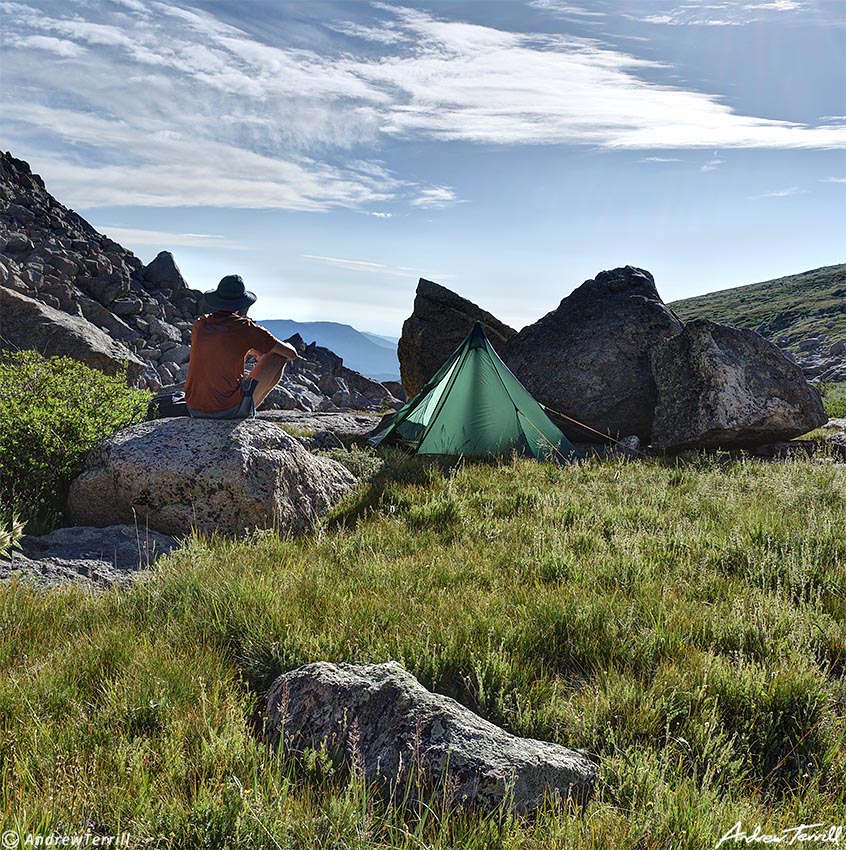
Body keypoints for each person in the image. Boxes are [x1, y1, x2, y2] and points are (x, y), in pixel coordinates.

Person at [184, 274, 298, 419]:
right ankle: (247, 410)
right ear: (241, 303)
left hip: (193, 407)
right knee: (277, 356)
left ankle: (246, 408)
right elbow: (291, 354)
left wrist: (250, 348)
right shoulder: (245, 328)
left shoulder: (200, 324)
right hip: (225, 409)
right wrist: (284, 345)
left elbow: (222, 345)